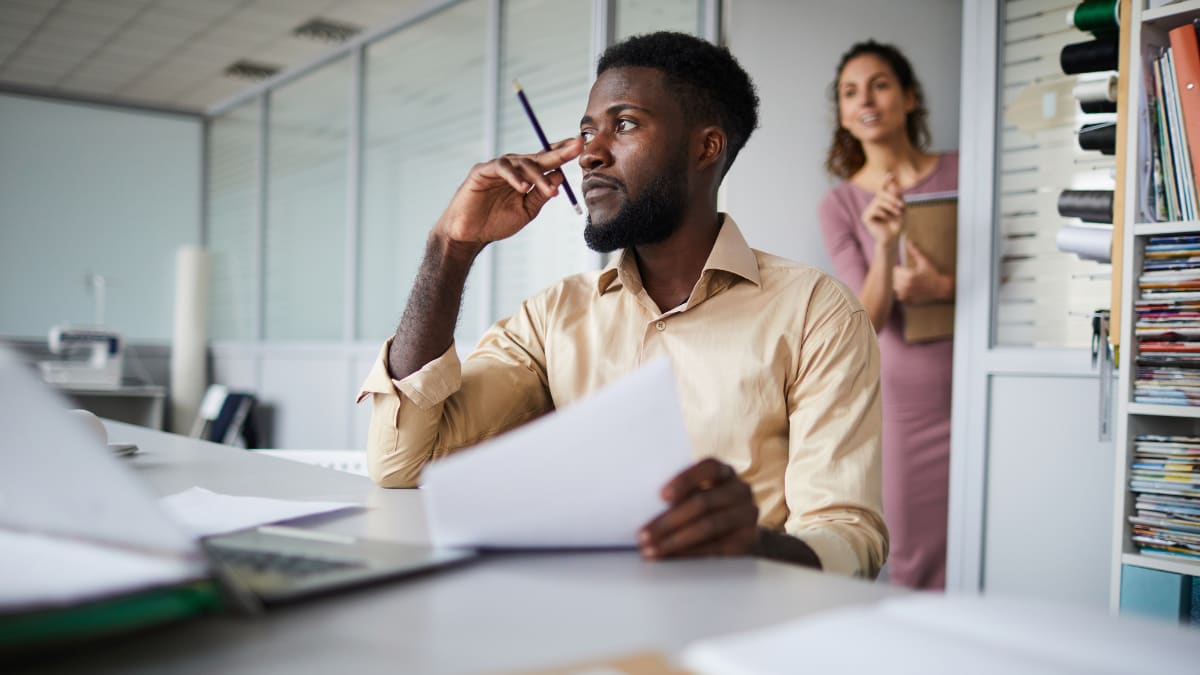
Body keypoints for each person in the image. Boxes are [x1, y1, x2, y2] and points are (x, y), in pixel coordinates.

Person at [359, 31, 887, 576]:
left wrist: (754, 545)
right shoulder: (552, 318)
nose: (589, 153)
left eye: (625, 124)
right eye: (587, 130)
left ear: (706, 147)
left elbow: (850, 539)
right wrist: (452, 246)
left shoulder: (816, 313)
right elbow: (403, 462)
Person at [817, 40, 956, 589]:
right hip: (906, 406)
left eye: (878, 84)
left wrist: (939, 286)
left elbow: (1012, 279)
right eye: (850, 92)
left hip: (985, 387)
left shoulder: (967, 171)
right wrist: (884, 243)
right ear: (843, 117)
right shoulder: (840, 206)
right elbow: (865, 320)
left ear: (910, 98)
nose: (864, 100)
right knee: (916, 559)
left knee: (996, 538)